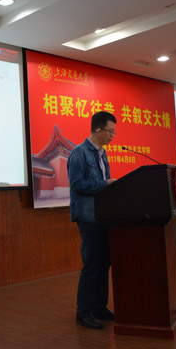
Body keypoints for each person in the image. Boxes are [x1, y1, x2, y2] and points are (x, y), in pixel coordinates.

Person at [67, 111, 117, 330]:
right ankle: (83, 312)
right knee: (92, 263)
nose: (112, 136)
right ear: (98, 129)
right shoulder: (79, 153)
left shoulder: (102, 154)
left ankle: (99, 306)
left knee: (104, 262)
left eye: (114, 132)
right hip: (88, 216)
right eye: (110, 131)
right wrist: (105, 184)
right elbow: (77, 185)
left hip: (104, 215)